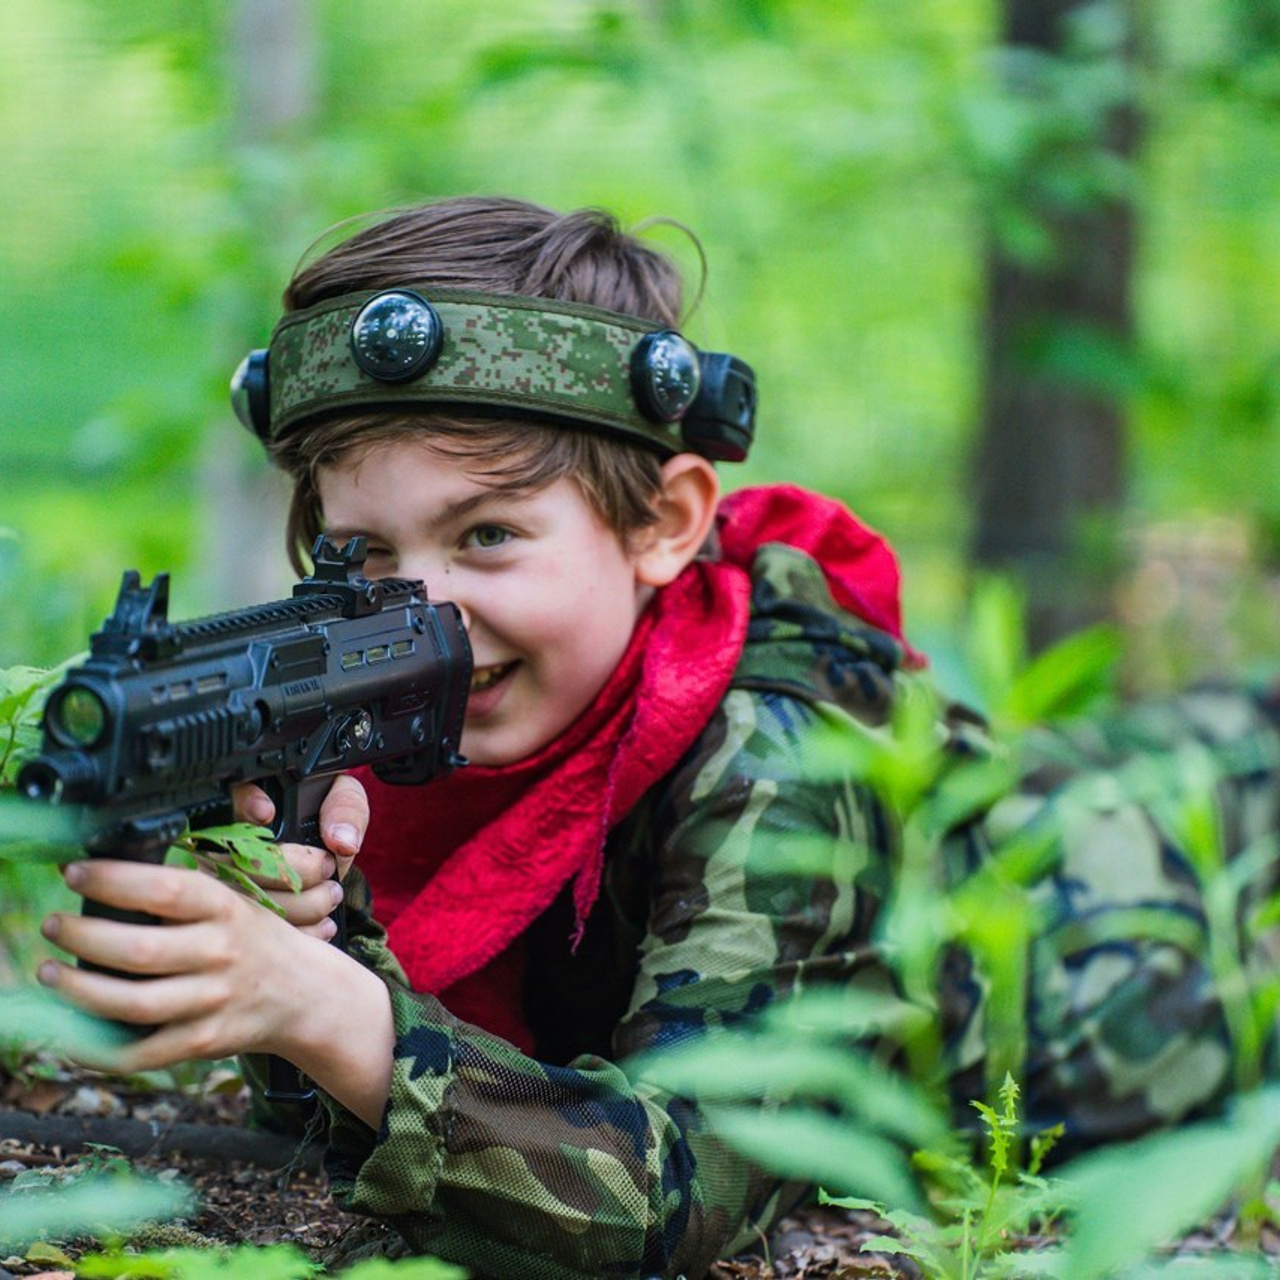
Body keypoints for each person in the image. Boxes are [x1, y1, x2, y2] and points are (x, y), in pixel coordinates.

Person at [33, 196, 1280, 1279]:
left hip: (1129, 910)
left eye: (487, 537)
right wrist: (277, 927)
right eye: (363, 556)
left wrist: (334, 1009)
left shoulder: (772, 749)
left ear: (665, 524)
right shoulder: (412, 734)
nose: (424, 612)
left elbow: (669, 1199)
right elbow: (353, 1119)